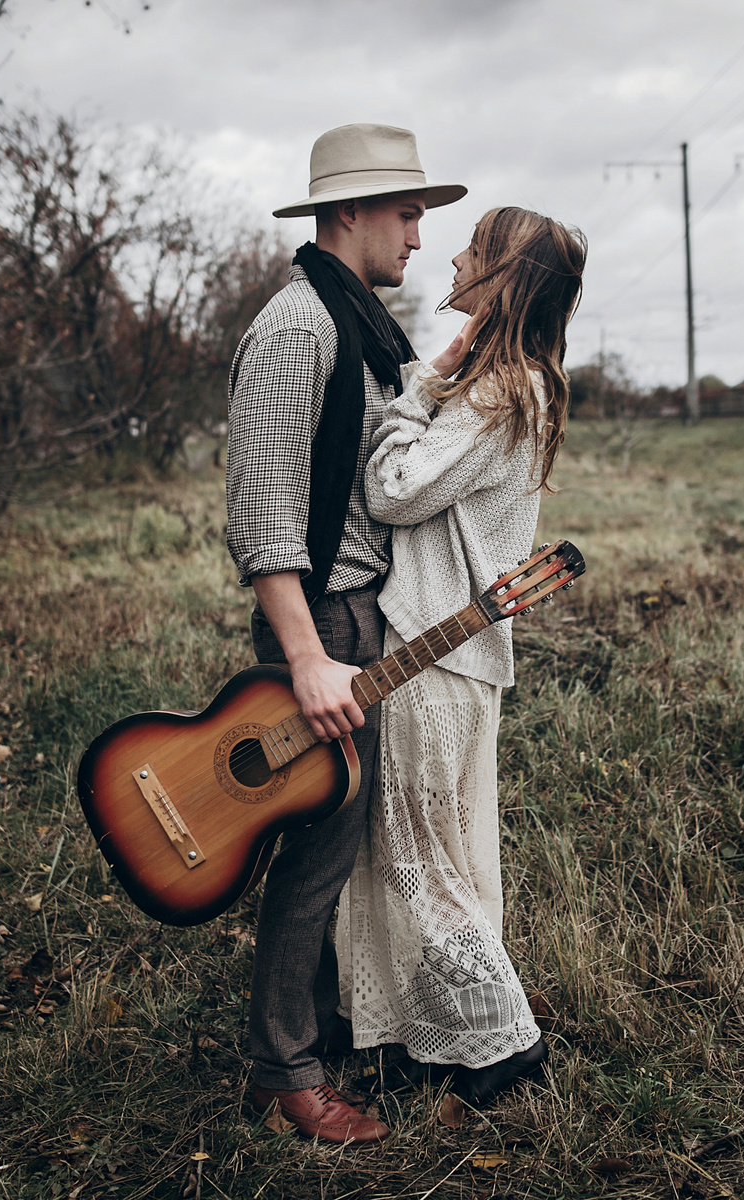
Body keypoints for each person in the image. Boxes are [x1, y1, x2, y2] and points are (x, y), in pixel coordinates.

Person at [223, 123, 465, 1145]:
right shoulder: (297, 331)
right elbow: (263, 520)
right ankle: (287, 1070)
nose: (418, 233)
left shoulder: (356, 326)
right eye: (407, 212)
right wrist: (312, 656)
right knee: (318, 848)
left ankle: (319, 1032)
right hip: (317, 625)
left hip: (355, 619)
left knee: (340, 840)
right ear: (352, 212)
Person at [337, 206, 587, 1107]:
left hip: (433, 656)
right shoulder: (518, 384)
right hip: (455, 653)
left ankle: (500, 1042)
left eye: (473, 250)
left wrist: (417, 388)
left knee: (417, 853)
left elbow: (394, 489)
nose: (448, 254)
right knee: (435, 847)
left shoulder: (497, 390)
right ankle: (422, 1032)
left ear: (504, 280)